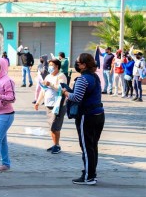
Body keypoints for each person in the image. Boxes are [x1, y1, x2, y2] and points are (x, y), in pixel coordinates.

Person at [62, 53, 105, 185]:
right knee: (93, 146)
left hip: (87, 116)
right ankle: (91, 173)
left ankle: (88, 177)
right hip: (99, 114)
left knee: (86, 147)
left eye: (78, 62)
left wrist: (66, 92)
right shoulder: (95, 77)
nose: (76, 64)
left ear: (84, 65)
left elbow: (76, 98)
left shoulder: (83, 79)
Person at [34, 59, 67, 154]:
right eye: (49, 65)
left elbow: (61, 89)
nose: (50, 67)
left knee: (55, 126)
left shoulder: (61, 76)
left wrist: (51, 84)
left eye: (52, 65)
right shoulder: (48, 76)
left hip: (58, 105)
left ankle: (57, 145)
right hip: (48, 104)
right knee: (51, 127)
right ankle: (55, 144)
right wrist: (38, 102)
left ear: (57, 66)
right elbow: (43, 90)